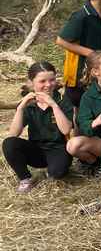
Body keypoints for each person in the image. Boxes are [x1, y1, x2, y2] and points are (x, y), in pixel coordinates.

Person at [3, 62, 74, 192]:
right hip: (36, 149)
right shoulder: (28, 103)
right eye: (42, 81)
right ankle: (25, 179)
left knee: (57, 174)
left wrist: (53, 105)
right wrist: (20, 108)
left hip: (58, 148)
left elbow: (66, 130)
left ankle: (52, 171)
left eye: (52, 80)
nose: (48, 85)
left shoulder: (63, 100)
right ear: (31, 82)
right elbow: (13, 133)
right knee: (9, 143)